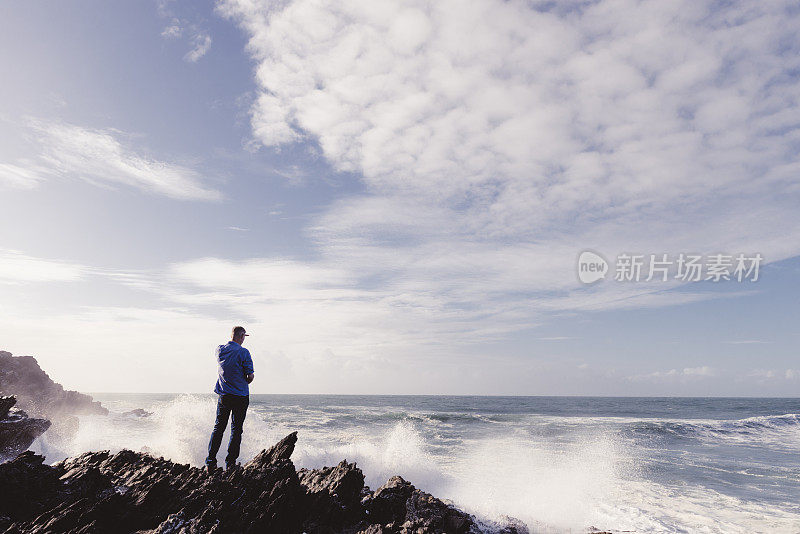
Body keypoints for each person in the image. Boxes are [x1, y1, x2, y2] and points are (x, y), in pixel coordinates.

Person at [205, 326, 255, 472]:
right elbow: (250, 376)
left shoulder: (220, 349)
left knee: (218, 428)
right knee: (236, 430)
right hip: (240, 396)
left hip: (224, 396)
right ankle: (230, 463)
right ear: (241, 336)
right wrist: (244, 381)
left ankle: (210, 462)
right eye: (244, 336)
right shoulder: (244, 352)